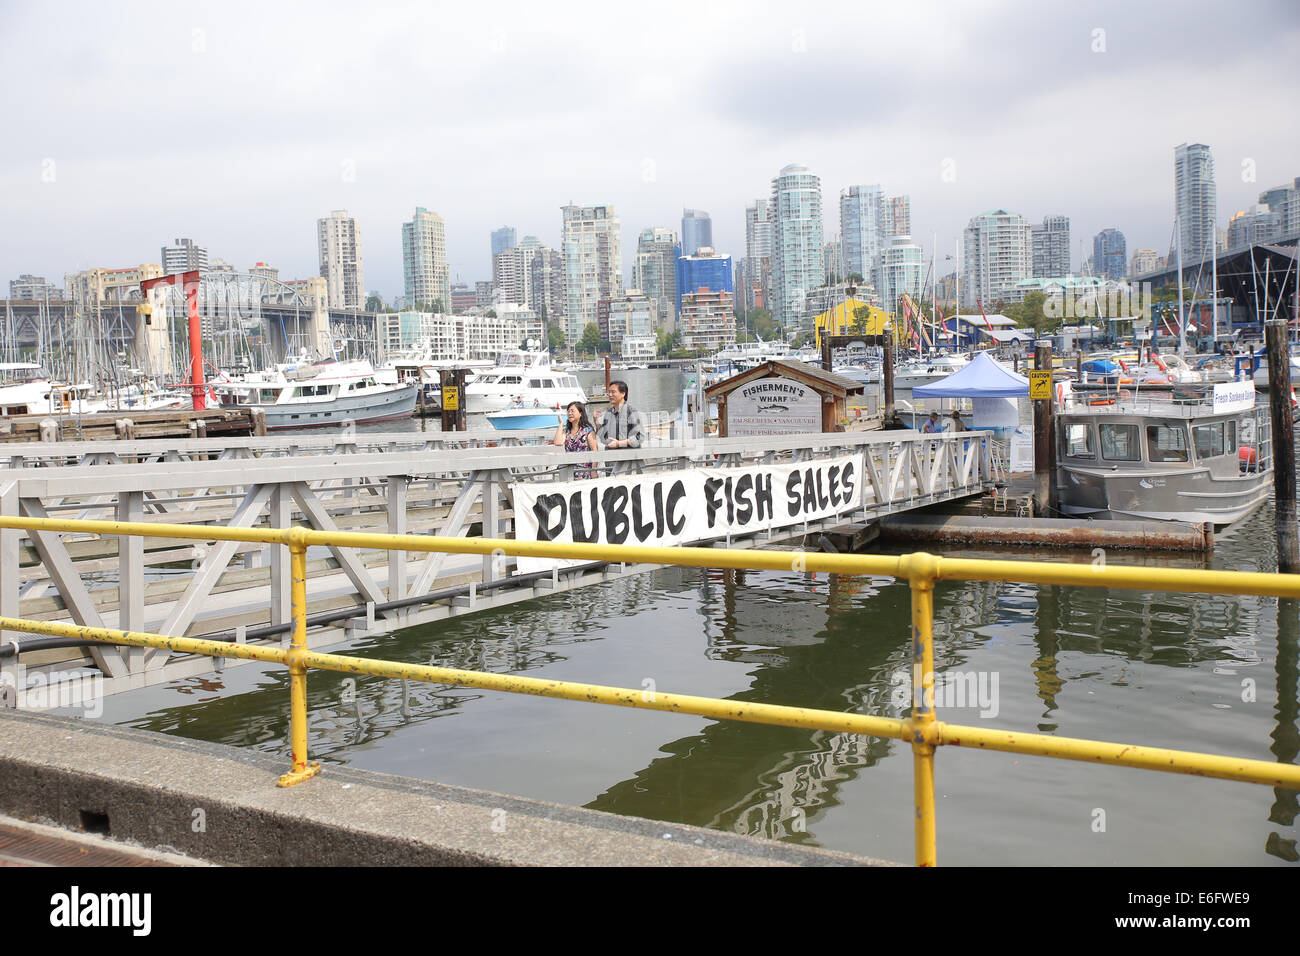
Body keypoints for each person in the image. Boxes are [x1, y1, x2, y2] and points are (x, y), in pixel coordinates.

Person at [552, 401, 598, 478]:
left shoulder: (588, 431)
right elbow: (558, 442)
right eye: (568, 411)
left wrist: (594, 470)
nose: (570, 413)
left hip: (585, 472)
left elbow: (595, 451)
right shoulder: (567, 431)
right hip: (569, 472)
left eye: (572, 411)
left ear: (581, 414)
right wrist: (561, 424)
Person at [596, 380, 645, 450]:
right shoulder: (608, 413)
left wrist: (619, 443)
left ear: (623, 394)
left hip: (628, 458)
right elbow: (604, 438)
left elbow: (640, 436)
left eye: (613, 392)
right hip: (612, 457)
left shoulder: (631, 412)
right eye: (609, 392)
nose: (610, 395)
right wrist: (596, 422)